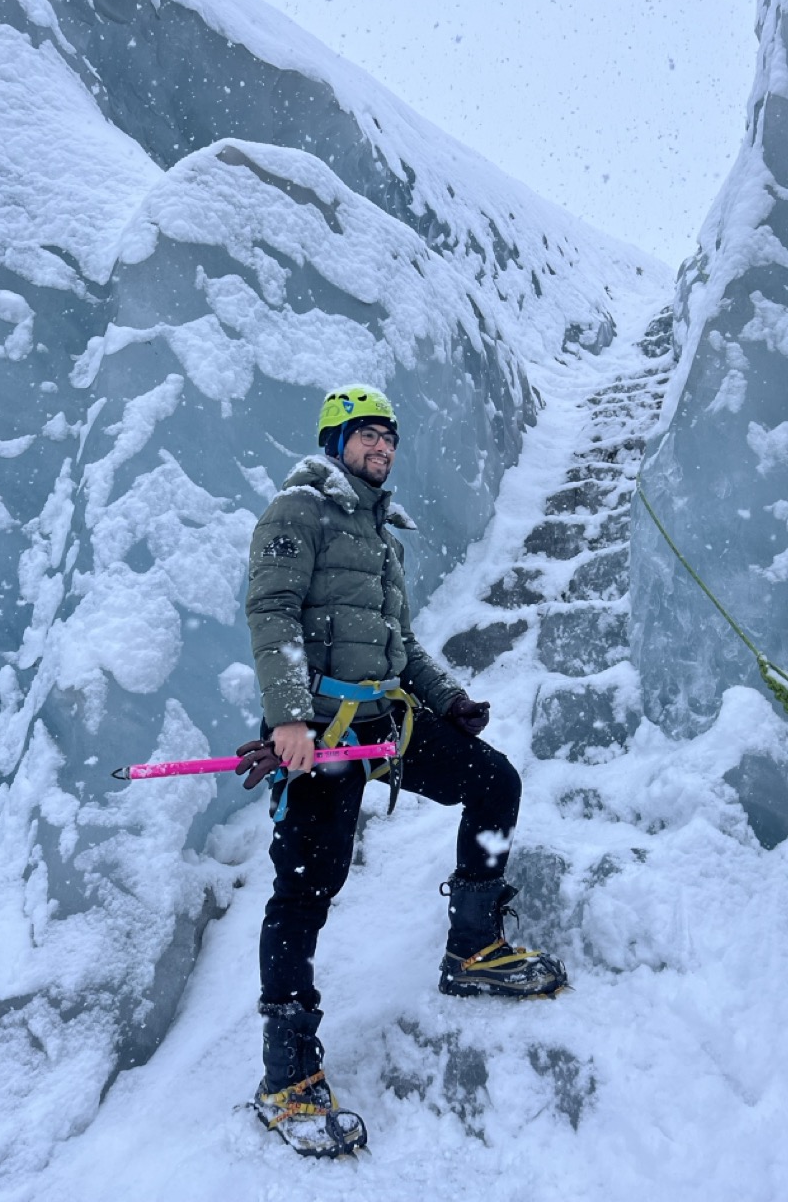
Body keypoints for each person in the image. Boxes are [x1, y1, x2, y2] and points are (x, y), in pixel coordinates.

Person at [237, 383, 566, 1158]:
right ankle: (285, 1073)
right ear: (334, 442)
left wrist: (447, 700)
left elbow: (399, 642)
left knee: (494, 781)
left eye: (387, 435)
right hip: (316, 731)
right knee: (307, 889)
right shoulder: (300, 510)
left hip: (387, 721)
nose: (381, 447)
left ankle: (473, 948)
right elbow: (272, 612)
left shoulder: (383, 532)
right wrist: (287, 716)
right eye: (365, 435)